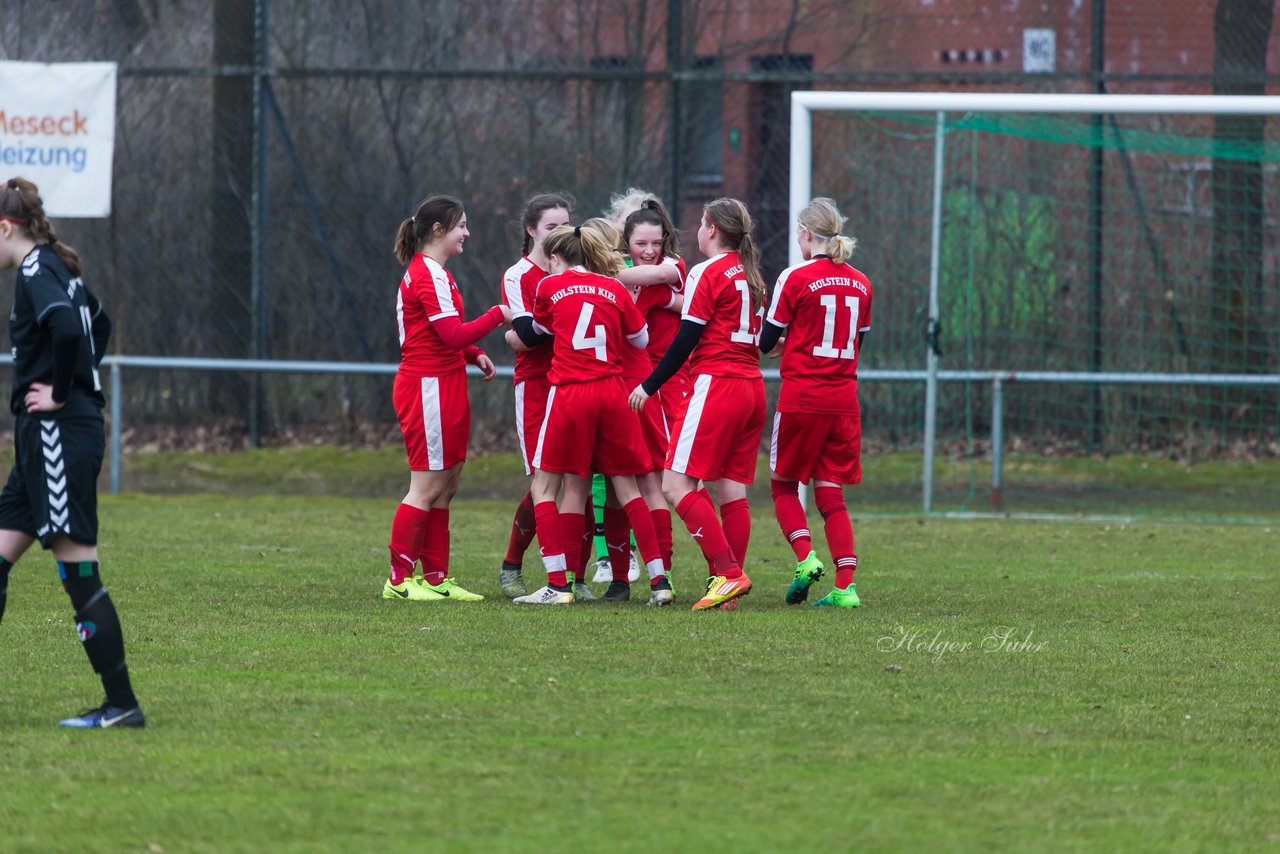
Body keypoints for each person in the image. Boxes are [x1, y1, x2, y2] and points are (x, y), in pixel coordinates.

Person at [0, 177, 143, 728]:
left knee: (77, 570)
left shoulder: (38, 271)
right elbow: (97, 323)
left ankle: (122, 705)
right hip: (43, 440)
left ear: (6, 228)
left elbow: (66, 329)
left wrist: (63, 392)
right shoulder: (58, 269)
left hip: (58, 433)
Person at [509, 222, 670, 606]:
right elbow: (642, 339)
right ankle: (660, 581)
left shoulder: (549, 285)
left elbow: (538, 330)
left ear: (555, 257)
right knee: (628, 489)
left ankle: (558, 584)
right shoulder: (615, 288)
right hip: (614, 393)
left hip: (571, 392)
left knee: (548, 487)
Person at [628, 197, 766, 612]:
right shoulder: (750, 274)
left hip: (718, 385)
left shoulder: (708, 271)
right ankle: (729, 591)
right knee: (729, 489)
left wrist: (649, 385)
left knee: (675, 484)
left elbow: (685, 339)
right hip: (753, 389)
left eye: (702, 224)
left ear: (710, 228)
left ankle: (728, 573)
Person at [384, 194, 510, 602]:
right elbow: (451, 334)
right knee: (427, 484)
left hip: (445, 382)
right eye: (461, 226)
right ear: (439, 230)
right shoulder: (427, 274)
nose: (467, 233)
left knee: (448, 482)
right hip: (427, 387)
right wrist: (496, 315)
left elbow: (446, 335)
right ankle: (399, 581)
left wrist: (473, 354)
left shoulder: (438, 273)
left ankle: (437, 579)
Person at [760, 197, 872, 608]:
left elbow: (766, 342)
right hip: (843, 400)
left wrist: (786, 342)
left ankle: (806, 559)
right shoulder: (861, 281)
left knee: (783, 485)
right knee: (831, 493)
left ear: (806, 234)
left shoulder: (795, 276)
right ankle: (845, 588)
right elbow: (854, 342)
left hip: (803, 397)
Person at [595, 202, 686, 601]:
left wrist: (599, 269)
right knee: (616, 484)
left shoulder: (671, 268)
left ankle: (661, 570)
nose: (649, 250)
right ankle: (617, 577)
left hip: (649, 387)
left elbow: (666, 275)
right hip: (614, 386)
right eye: (640, 243)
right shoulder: (618, 279)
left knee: (654, 480)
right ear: (624, 243)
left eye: (656, 241)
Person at [497, 192, 572, 599]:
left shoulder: (577, 268)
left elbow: (525, 331)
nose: (560, 233)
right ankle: (514, 565)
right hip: (538, 386)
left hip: (577, 385)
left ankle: (571, 577)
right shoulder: (517, 275)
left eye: (565, 225)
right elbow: (525, 339)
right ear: (531, 230)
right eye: (550, 227)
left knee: (572, 482)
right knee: (544, 483)